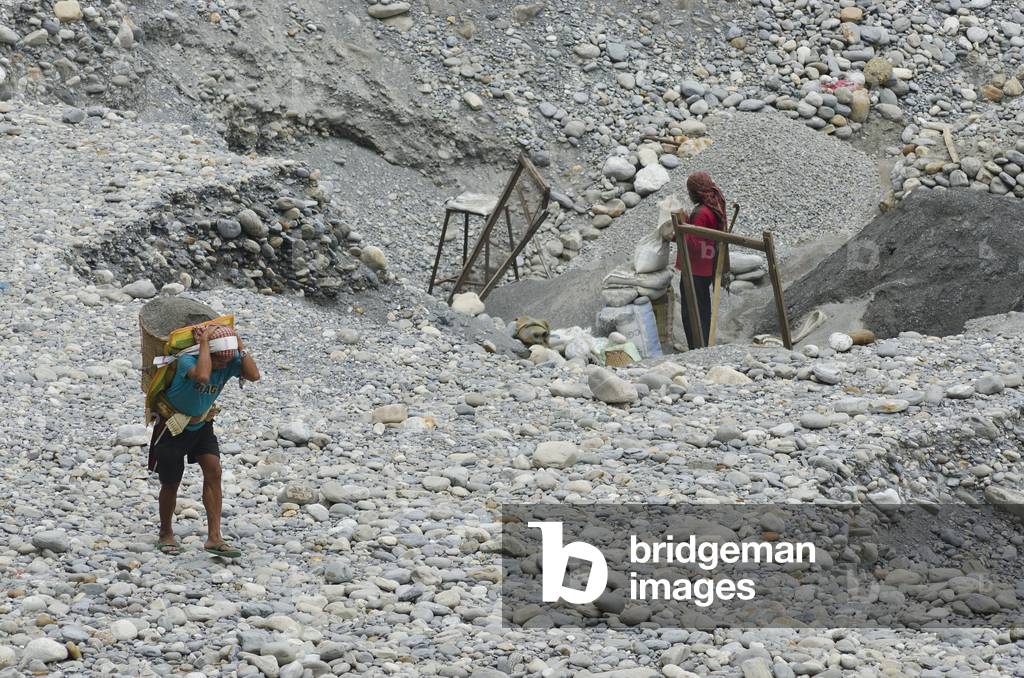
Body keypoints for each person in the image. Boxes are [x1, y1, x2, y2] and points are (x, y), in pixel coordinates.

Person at [148, 323, 261, 557]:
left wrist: (240, 346)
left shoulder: (228, 362)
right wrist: (203, 345)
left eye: (225, 361)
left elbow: (254, 375)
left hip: (202, 425)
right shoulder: (187, 362)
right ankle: (165, 533)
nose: (223, 365)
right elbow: (202, 376)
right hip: (173, 427)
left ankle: (214, 538)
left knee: (214, 471)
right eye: (218, 359)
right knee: (171, 481)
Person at [674, 171, 727, 349]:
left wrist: (681, 228)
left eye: (690, 191)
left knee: (692, 310)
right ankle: (703, 344)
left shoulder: (701, 213)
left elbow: (694, 244)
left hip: (694, 268)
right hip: (707, 264)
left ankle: (697, 347)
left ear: (695, 192)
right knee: (703, 307)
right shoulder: (714, 207)